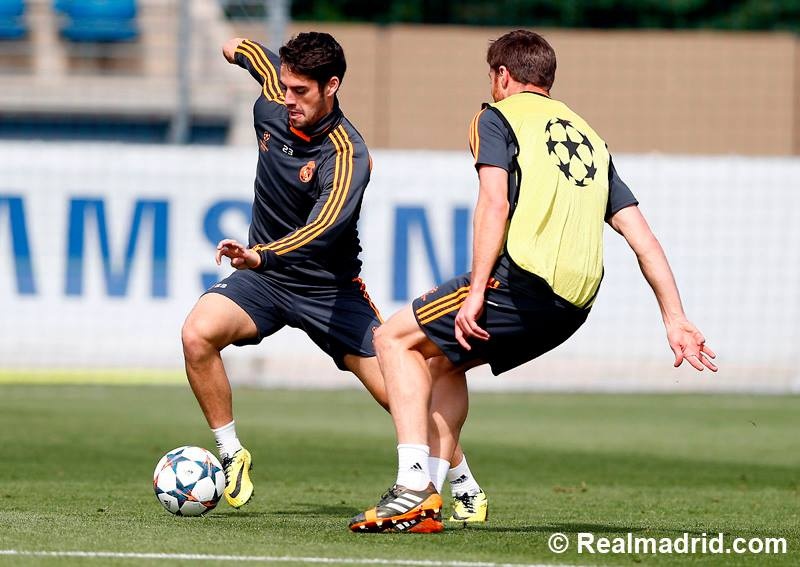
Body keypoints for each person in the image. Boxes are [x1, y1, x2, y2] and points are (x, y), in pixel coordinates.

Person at [349, 29, 717, 534]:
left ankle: (412, 489)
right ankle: (429, 497)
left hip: (521, 282)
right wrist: (675, 318)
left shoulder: (495, 117)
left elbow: (493, 203)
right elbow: (644, 239)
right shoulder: (590, 139)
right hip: (573, 308)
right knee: (443, 361)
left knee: (392, 339)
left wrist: (475, 292)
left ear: (502, 75)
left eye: (491, 75)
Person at [181, 32, 487, 521]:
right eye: (285, 86)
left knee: (400, 393)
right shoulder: (276, 91)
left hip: (328, 291)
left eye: (301, 91)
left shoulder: (347, 155)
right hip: (265, 283)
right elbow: (244, 49)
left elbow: (321, 230)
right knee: (197, 334)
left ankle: (464, 481)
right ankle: (232, 452)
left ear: (331, 86)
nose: (288, 99)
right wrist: (230, 44)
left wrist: (260, 255)